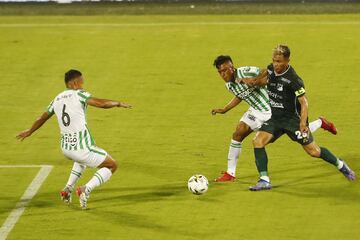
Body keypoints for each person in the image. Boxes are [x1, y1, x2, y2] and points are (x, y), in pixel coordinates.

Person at [238, 45, 355, 191]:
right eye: (274, 60)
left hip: (292, 121)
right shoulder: (270, 69)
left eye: (279, 61)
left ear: (287, 60)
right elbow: (263, 80)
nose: (276, 64)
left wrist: (302, 123)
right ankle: (264, 180)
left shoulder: (293, 79)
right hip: (276, 119)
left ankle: (341, 165)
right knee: (258, 141)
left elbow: (304, 102)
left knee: (314, 152)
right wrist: (251, 81)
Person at [16, 69, 132, 208]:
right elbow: (100, 103)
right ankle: (85, 189)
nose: (83, 84)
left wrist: (30, 131)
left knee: (80, 160)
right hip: (82, 147)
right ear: (75, 82)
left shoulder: (57, 98)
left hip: (66, 148)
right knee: (112, 165)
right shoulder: (80, 94)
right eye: (82, 81)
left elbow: (43, 117)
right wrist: (117, 103)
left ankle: (67, 189)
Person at [212, 55, 338, 182]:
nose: (223, 74)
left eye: (225, 70)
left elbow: (267, 74)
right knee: (238, 133)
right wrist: (225, 109)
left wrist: (255, 81)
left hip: (273, 110)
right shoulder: (229, 85)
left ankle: (321, 122)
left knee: (296, 133)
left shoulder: (246, 71)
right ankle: (230, 173)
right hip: (255, 111)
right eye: (220, 72)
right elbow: (239, 95)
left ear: (232, 68)